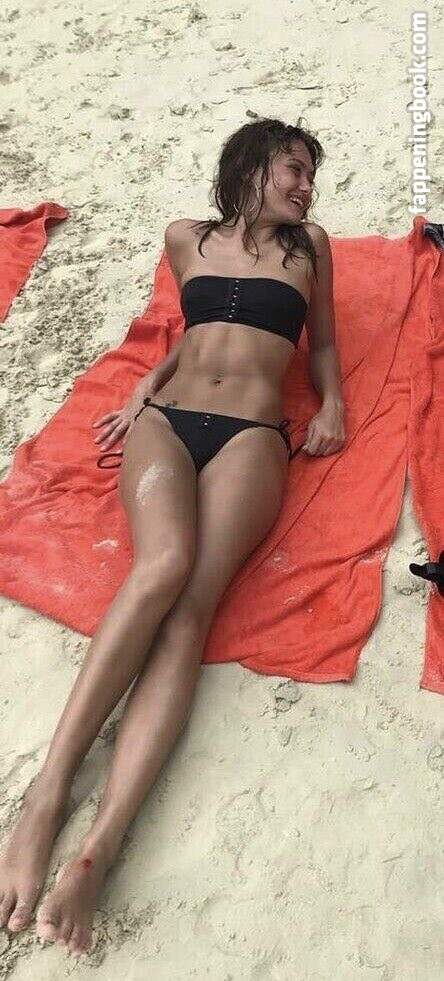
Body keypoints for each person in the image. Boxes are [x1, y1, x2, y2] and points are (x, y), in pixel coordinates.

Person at [0, 117, 345, 954]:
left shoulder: (310, 248)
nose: (306, 187)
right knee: (160, 567)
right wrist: (141, 388)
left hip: (250, 436)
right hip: (165, 422)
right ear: (251, 167)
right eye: (295, 169)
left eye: (310, 175)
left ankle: (99, 844)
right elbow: (194, 332)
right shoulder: (184, 236)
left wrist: (333, 402)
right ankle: (47, 795)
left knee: (190, 606)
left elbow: (325, 344)